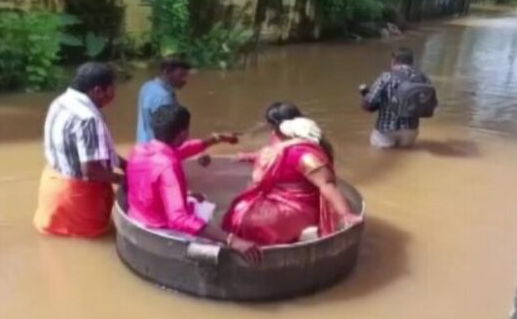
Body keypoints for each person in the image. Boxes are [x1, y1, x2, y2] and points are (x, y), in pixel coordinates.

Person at [125, 104, 261, 263]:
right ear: (183, 133)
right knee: (217, 236)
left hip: (135, 220)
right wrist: (231, 239)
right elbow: (178, 218)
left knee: (197, 201)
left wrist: (217, 139)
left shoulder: (139, 150)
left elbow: (183, 150)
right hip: (159, 232)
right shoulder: (168, 165)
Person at [223, 102, 361, 246]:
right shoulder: (286, 143)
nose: (271, 131)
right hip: (282, 196)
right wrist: (248, 156)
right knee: (242, 206)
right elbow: (272, 153)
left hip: (301, 205)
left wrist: (345, 214)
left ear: (278, 128)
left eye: (271, 126)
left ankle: (289, 237)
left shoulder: (305, 156)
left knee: (248, 219)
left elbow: (326, 185)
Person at [34, 62, 126, 238]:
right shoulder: (88, 118)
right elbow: (91, 170)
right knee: (95, 244)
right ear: (98, 91)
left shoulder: (61, 101)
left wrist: (122, 163)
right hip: (77, 197)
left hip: (52, 187)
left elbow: (88, 149)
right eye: (112, 89)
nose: (114, 94)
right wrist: (123, 180)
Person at [361, 47, 434, 148]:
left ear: (394, 61)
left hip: (386, 130)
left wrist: (365, 95)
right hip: (411, 131)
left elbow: (369, 103)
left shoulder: (387, 76)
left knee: (378, 157)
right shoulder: (422, 78)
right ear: (411, 62)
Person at [136, 57, 191, 144]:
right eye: (181, 75)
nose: (185, 80)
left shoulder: (146, 86)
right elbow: (165, 131)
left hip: (142, 145)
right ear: (166, 72)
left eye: (186, 75)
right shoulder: (165, 97)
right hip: (156, 150)